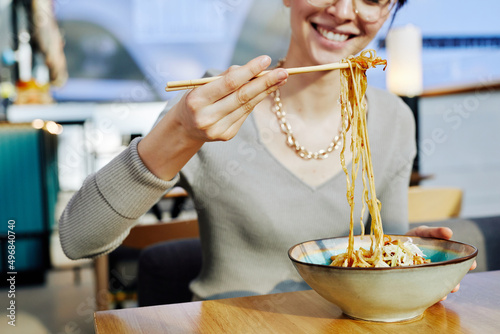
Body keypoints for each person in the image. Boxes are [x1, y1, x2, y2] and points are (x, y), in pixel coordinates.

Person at [59, 0, 474, 303]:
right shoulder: (212, 103)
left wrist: (413, 263)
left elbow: (383, 249)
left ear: (388, 13)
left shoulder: (394, 119)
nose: (345, 11)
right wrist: (181, 133)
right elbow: (78, 238)